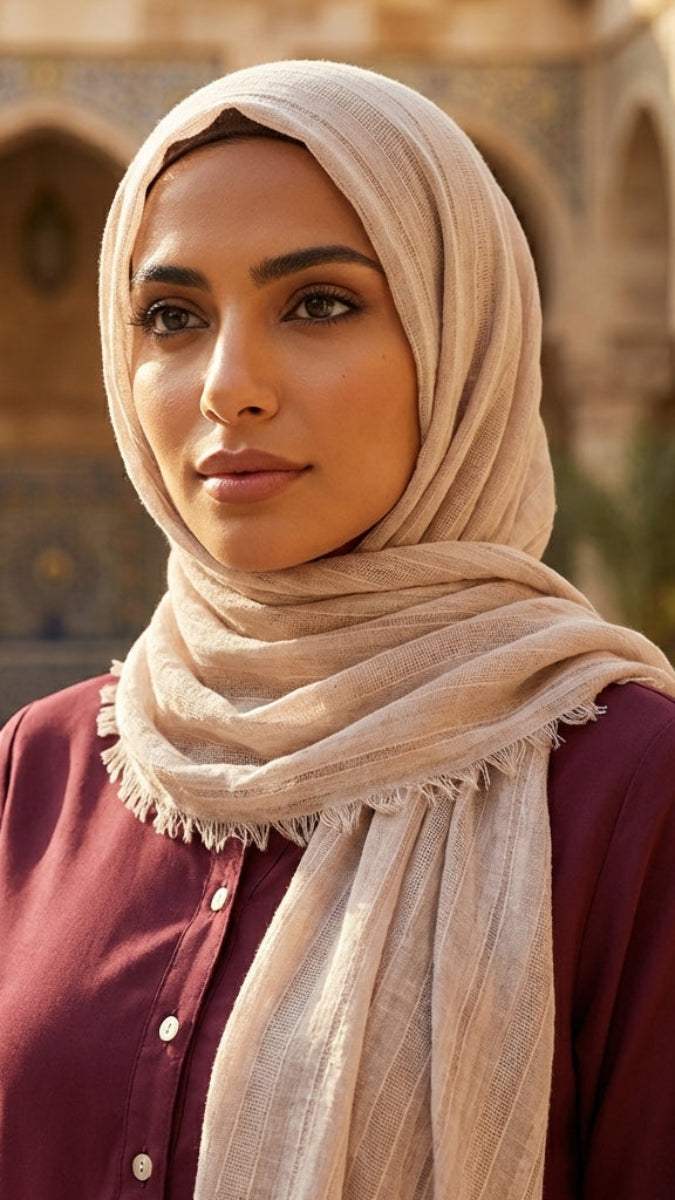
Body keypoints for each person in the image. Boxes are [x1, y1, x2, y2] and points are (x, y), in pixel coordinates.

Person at [1, 59, 675, 1200]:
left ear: (459, 342)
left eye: (319, 304)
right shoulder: (44, 774)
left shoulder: (624, 793)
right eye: (172, 316)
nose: (228, 386)